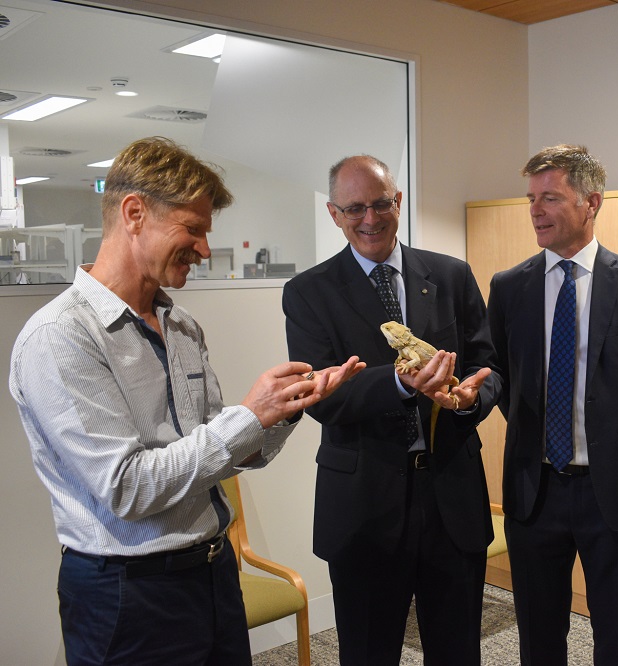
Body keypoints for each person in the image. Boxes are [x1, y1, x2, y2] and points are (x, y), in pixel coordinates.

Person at [8, 136, 363, 665]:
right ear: (133, 213)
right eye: (192, 229)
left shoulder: (181, 326)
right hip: (129, 596)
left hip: (213, 576)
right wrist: (248, 415)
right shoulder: (60, 337)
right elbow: (127, 489)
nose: (203, 248)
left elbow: (225, 453)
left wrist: (288, 408)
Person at [282, 154, 499, 666]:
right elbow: (323, 396)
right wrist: (403, 384)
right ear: (334, 214)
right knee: (368, 653)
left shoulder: (451, 275)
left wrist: (470, 399)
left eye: (381, 204)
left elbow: (488, 367)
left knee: (457, 651)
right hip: (364, 506)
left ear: (398, 202)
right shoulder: (308, 293)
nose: (370, 219)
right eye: (354, 208)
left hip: (452, 499)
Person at [487, 144, 618, 665]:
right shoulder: (509, 288)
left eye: (550, 198)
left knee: (616, 638)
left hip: (614, 492)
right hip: (535, 491)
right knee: (539, 636)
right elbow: (505, 379)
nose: (535, 211)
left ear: (590, 202)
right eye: (531, 199)